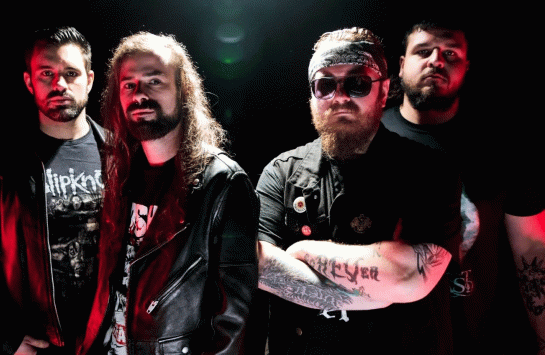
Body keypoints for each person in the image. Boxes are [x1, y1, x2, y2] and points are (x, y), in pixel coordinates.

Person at [256, 27, 463, 355]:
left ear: (384, 91)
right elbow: (259, 265)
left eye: (357, 83)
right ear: (312, 94)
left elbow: (410, 276)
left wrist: (302, 251)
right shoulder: (281, 174)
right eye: (325, 84)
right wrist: (377, 291)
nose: (340, 97)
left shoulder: (430, 171)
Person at [77, 31, 259, 355]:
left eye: (154, 81)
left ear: (183, 89)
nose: (139, 94)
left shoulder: (223, 185)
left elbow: (235, 325)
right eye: (128, 85)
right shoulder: (120, 175)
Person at [382, 21, 545, 354]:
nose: (436, 60)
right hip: (389, 339)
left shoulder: (501, 146)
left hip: (481, 342)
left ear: (466, 67)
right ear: (401, 64)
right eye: (424, 51)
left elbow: (532, 250)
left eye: (451, 53)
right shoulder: (369, 141)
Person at [0, 26, 105, 354]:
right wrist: (3, 339)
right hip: (38, 345)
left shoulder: (122, 158)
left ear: (89, 80)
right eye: (46, 73)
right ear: (29, 82)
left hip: (110, 343)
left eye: (71, 73)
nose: (59, 84)